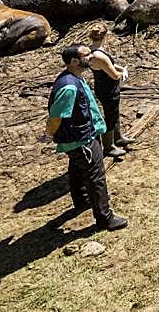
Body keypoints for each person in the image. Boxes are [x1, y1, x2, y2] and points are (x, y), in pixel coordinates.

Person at [42, 43, 128, 231]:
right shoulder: (69, 87)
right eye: (87, 55)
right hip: (81, 139)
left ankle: (82, 201)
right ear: (74, 61)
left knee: (77, 169)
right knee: (96, 177)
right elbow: (56, 117)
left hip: (82, 137)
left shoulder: (74, 77)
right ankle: (105, 218)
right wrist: (49, 135)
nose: (91, 57)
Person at [88, 27, 134, 161]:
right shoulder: (99, 55)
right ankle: (109, 146)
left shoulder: (92, 50)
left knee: (114, 113)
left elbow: (109, 65)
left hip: (104, 87)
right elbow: (113, 75)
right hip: (108, 89)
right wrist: (123, 73)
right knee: (110, 116)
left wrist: (119, 67)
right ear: (105, 36)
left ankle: (118, 137)